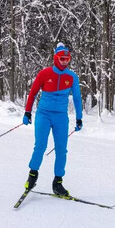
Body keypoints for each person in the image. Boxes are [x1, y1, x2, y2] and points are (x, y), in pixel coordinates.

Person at [22, 42, 83, 196]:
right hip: (44, 114)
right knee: (41, 146)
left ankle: (58, 183)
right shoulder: (44, 73)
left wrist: (79, 118)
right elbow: (33, 92)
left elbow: (77, 98)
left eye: (67, 59)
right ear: (56, 58)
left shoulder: (72, 77)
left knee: (61, 150)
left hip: (61, 117)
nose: (65, 62)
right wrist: (27, 112)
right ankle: (32, 177)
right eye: (62, 59)